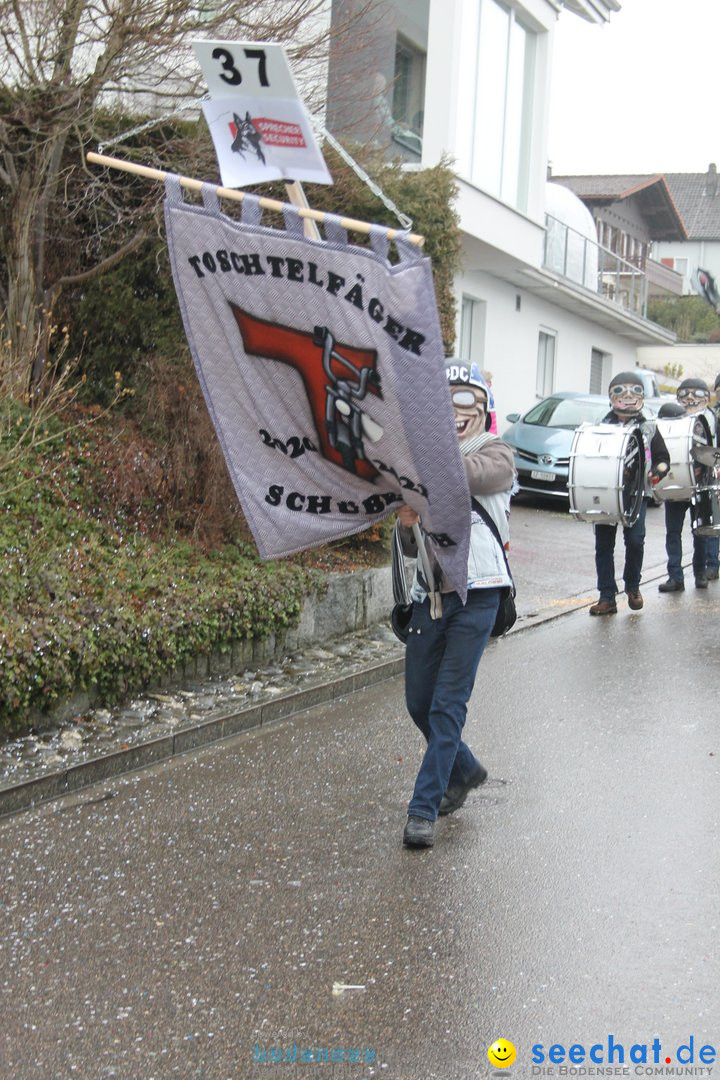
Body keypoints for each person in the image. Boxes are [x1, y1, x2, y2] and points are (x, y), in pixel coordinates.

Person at [396, 361, 515, 850]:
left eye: (466, 400)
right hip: (432, 595)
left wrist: (421, 468)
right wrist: (405, 521)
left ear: (483, 408)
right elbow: (406, 550)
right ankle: (464, 768)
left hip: (480, 593)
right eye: (444, 402)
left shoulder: (496, 453)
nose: (455, 411)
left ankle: (424, 808)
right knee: (418, 701)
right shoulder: (417, 466)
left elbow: (478, 476)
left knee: (447, 705)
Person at [589, 373, 670, 616]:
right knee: (604, 545)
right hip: (606, 492)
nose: (627, 397)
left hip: (637, 494)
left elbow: (663, 459)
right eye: (620, 392)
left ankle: (633, 586)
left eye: (634, 392)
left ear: (642, 397)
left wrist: (657, 473)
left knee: (635, 541)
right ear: (610, 397)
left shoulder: (649, 427)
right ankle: (606, 597)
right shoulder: (601, 427)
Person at [658, 377, 716, 592]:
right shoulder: (670, 419)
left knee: (700, 531)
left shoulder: (711, 420)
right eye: (684, 393)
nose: (690, 398)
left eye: (696, 393)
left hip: (701, 484)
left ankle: (700, 573)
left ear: (707, 397)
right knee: (672, 532)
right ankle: (675, 576)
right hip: (676, 482)